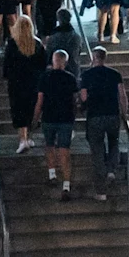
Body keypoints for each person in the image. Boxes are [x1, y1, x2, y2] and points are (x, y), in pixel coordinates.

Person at [80, 46, 128, 202]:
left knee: (97, 150)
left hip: (95, 116)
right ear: (105, 58)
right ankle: (111, 169)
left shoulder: (86, 75)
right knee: (114, 142)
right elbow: (122, 95)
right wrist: (124, 112)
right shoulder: (115, 74)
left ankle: (101, 189)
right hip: (113, 114)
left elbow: (84, 96)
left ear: (93, 58)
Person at [35, 48, 79, 200]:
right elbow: (74, 100)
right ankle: (66, 185)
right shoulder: (70, 78)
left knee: (49, 146)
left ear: (53, 60)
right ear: (65, 62)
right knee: (64, 151)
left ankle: (52, 173)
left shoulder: (45, 78)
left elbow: (40, 101)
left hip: (48, 117)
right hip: (66, 119)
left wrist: (35, 118)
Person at [3, 14, 46, 154]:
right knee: (32, 110)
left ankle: (23, 139)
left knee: (19, 110)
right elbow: (43, 65)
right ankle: (30, 136)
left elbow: (7, 66)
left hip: (16, 83)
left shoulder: (12, 44)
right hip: (34, 82)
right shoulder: (38, 44)